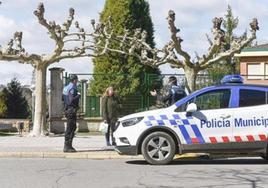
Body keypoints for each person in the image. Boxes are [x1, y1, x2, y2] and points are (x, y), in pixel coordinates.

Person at [62, 74, 81, 152]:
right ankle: (67, 146)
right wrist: (78, 96)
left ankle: (68, 145)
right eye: (76, 80)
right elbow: (71, 100)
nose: (77, 81)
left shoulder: (65, 88)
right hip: (71, 110)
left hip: (67, 109)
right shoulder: (72, 88)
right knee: (71, 128)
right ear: (74, 80)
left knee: (70, 127)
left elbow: (63, 99)